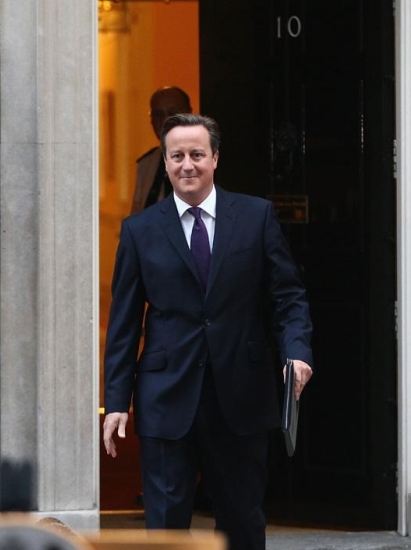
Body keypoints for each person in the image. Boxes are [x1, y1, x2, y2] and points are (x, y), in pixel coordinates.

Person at [102, 113, 314, 550]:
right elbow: (124, 322)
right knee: (165, 527)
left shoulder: (255, 217)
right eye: (177, 156)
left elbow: (288, 296)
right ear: (165, 163)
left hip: (241, 395)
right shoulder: (140, 231)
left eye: (197, 154)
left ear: (215, 158)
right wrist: (116, 401)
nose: (187, 165)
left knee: (242, 521)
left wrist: (298, 351)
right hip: (166, 395)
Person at [130, 86, 193, 214]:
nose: (165, 120)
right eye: (158, 114)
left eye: (173, 113)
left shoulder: (204, 161)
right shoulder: (146, 165)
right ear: (151, 119)